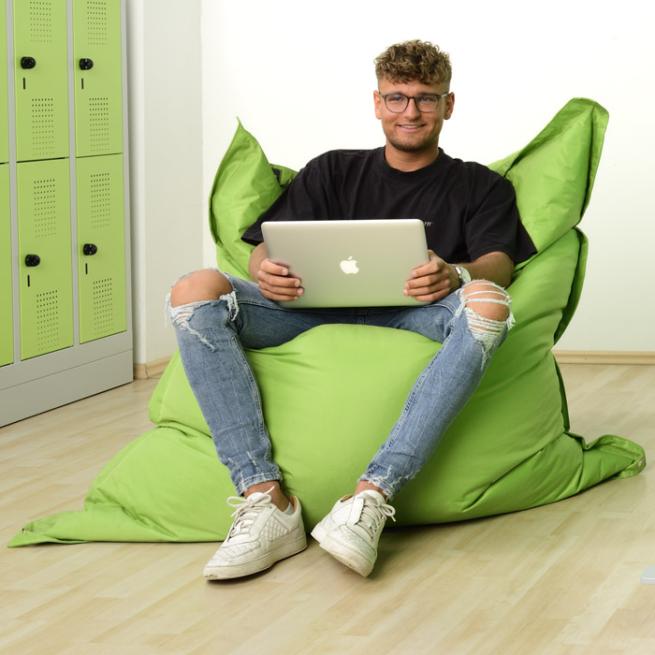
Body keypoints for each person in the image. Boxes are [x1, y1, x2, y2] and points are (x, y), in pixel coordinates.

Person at [167, 40, 536, 580]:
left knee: (488, 304)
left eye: (426, 98)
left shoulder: (481, 185)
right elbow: (267, 244)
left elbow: (498, 263)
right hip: (306, 309)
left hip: (416, 312)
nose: (411, 111)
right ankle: (265, 500)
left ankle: (371, 496)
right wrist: (265, 266)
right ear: (377, 102)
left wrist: (455, 274)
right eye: (397, 97)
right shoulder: (332, 170)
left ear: (448, 105)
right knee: (193, 289)